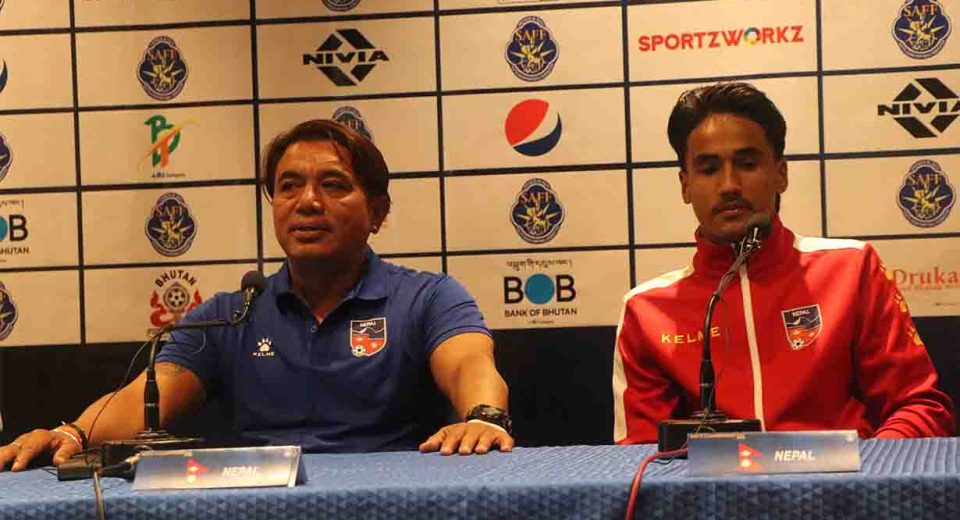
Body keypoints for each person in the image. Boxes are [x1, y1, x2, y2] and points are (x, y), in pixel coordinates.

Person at [2, 120, 514, 472]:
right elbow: (145, 397)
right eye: (288, 187)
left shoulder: (428, 297)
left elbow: (470, 364)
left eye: (333, 185)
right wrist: (71, 434)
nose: (307, 202)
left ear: (377, 213)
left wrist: (483, 416)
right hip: (260, 502)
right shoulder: (230, 315)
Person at [613, 82, 955, 444]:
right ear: (685, 185)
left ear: (781, 174)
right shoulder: (647, 312)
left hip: (853, 480)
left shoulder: (852, 270)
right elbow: (643, 455)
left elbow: (918, 407)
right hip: (710, 485)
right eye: (709, 169)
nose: (729, 185)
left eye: (747, 164)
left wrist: (867, 471)